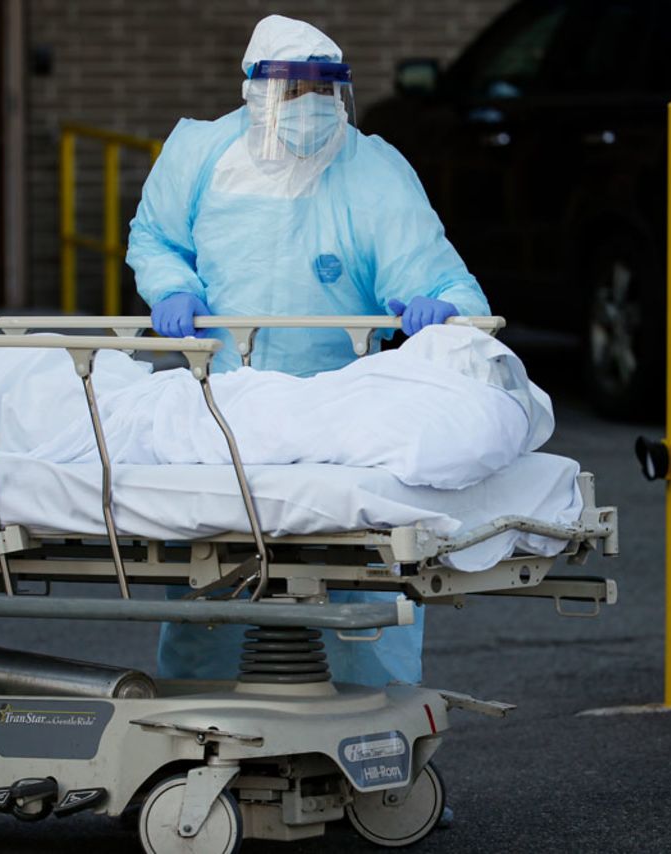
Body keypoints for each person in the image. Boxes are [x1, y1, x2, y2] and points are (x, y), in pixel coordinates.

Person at [126, 15, 490, 694]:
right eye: (295, 90)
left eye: (328, 90)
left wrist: (437, 308)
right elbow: (156, 237)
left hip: (343, 411)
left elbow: (433, 270)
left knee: (361, 587)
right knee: (215, 580)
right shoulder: (202, 155)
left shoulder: (371, 168)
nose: (312, 107)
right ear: (254, 92)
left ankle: (379, 717)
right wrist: (173, 286)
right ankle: (197, 713)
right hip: (226, 407)